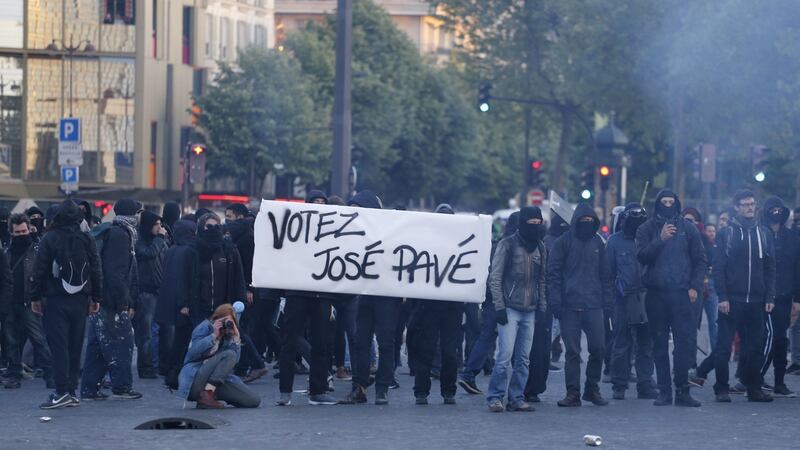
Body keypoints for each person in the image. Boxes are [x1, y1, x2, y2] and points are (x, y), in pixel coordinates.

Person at [636, 189, 706, 407]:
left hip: (682, 294)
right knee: (658, 343)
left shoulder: (688, 228)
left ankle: (682, 391)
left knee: (684, 344)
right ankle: (664, 391)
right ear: (657, 204)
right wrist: (660, 239)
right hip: (656, 294)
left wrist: (695, 286)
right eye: (663, 202)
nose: (667, 205)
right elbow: (642, 255)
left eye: (671, 202)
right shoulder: (646, 229)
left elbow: (700, 259)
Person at [31, 200, 102, 409]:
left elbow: (39, 270)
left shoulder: (49, 238)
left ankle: (61, 391)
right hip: (81, 299)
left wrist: (35, 297)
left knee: (58, 346)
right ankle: (71, 390)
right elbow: (97, 269)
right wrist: (97, 298)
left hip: (55, 299)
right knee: (75, 344)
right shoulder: (86, 238)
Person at [713, 190, 776, 403]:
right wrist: (722, 296)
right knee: (723, 346)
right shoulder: (726, 233)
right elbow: (719, 267)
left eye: (752, 204)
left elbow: (770, 267)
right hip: (732, 300)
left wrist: (769, 297)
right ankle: (721, 388)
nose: (750, 208)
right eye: (745, 204)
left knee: (755, 347)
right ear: (737, 208)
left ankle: (753, 388)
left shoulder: (765, 233)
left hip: (757, 300)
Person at [276, 191, 338, 406]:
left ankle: (318, 389)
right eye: (315, 202)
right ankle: (285, 390)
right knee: (290, 341)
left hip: (321, 293)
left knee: (321, 342)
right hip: (298, 291)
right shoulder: (297, 229)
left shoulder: (332, 231)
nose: (319, 205)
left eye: (323, 202)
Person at [549, 203, 613, 407]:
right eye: (583, 220)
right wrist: (556, 301)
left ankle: (591, 389)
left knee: (599, 349)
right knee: (573, 352)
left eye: (590, 221)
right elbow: (554, 274)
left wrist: (607, 301)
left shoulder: (598, 243)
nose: (587, 224)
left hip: (594, 305)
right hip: (569, 305)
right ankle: (573, 392)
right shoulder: (563, 242)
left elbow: (606, 275)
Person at [341, 190, 401, 406]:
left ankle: (382, 388)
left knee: (386, 342)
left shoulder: (391, 232)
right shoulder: (352, 233)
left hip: (386, 295)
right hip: (365, 294)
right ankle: (359, 386)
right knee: (360, 341)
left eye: (358, 209)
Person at [485, 206, 546, 412]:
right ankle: (495, 396)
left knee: (523, 359)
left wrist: (542, 307)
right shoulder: (507, 244)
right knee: (504, 355)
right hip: (510, 309)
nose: (536, 227)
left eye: (539, 223)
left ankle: (516, 397)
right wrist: (499, 307)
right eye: (532, 223)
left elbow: (542, 280)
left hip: (530, 309)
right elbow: (495, 277)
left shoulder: (541, 247)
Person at [81, 198, 142, 401]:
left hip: (101, 297)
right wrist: (123, 300)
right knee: (122, 342)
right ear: (132, 215)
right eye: (138, 213)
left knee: (98, 345)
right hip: (111, 299)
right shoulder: (121, 235)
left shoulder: (113, 232)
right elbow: (116, 271)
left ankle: (90, 388)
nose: (139, 217)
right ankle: (122, 387)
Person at [458, 212, 518, 395]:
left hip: (491, 298)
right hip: (505, 299)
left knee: (486, 337)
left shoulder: (494, 245)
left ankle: (469, 373)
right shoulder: (512, 246)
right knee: (508, 342)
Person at [409, 204, 463, 406]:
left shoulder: (461, 243)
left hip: (450, 305)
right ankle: (422, 392)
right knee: (427, 349)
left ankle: (447, 391)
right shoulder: (426, 243)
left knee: (449, 351)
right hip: (430, 305)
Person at [606, 204, 657, 400]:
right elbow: (608, 273)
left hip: (647, 297)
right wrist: (610, 299)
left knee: (646, 343)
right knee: (621, 343)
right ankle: (619, 384)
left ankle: (645, 384)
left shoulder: (650, 239)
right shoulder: (613, 242)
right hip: (623, 299)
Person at [2, 214, 52, 389]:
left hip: (29, 301)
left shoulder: (36, 251)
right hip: (10, 303)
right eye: (18, 232)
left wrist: (39, 298)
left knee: (38, 338)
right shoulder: (6, 252)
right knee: (11, 341)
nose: (22, 234)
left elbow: (42, 276)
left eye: (24, 230)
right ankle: (14, 373)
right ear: (12, 233)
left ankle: (50, 374)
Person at [178, 303, 260, 409]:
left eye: (230, 322)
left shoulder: (228, 335)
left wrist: (236, 338)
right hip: (195, 379)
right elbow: (192, 353)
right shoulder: (204, 327)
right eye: (224, 320)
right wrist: (214, 336)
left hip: (216, 382)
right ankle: (207, 394)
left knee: (253, 400)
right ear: (216, 318)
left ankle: (209, 395)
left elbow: (234, 362)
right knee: (229, 354)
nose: (226, 324)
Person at [759, 196, 800, 398]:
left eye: (779, 210)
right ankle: (754, 377)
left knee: (780, 340)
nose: (776, 213)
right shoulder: (759, 234)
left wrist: (798, 300)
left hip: (785, 296)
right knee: (766, 338)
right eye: (772, 209)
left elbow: (798, 268)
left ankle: (779, 381)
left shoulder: (793, 236)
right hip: (762, 295)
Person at [156, 220, 198, 387]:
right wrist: (185, 303)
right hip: (182, 303)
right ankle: (175, 374)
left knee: (175, 339)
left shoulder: (172, 250)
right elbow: (185, 279)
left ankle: (168, 370)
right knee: (182, 340)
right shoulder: (190, 251)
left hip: (169, 300)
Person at [190, 213, 247, 322]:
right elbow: (186, 278)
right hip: (200, 309)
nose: (213, 230)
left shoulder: (229, 250)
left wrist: (241, 300)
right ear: (201, 228)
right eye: (209, 226)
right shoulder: (194, 250)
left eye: (216, 227)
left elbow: (239, 277)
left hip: (224, 309)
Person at [134, 210, 168, 379]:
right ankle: (145, 367)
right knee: (146, 333)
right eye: (156, 224)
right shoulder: (139, 241)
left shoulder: (160, 241)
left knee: (160, 330)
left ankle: (157, 364)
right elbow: (148, 254)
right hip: (145, 292)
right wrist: (160, 239)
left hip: (159, 291)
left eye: (160, 224)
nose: (159, 227)